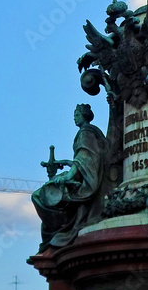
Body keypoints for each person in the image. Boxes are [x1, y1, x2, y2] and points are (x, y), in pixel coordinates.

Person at [32, 104, 106, 250]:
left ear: (84, 116)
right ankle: (56, 229)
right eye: (74, 115)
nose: (74, 118)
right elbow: (82, 160)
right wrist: (64, 163)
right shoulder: (86, 132)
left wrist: (68, 177)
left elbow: (84, 159)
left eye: (77, 115)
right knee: (43, 195)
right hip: (80, 176)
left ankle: (57, 229)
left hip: (83, 181)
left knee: (38, 196)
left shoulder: (86, 132)